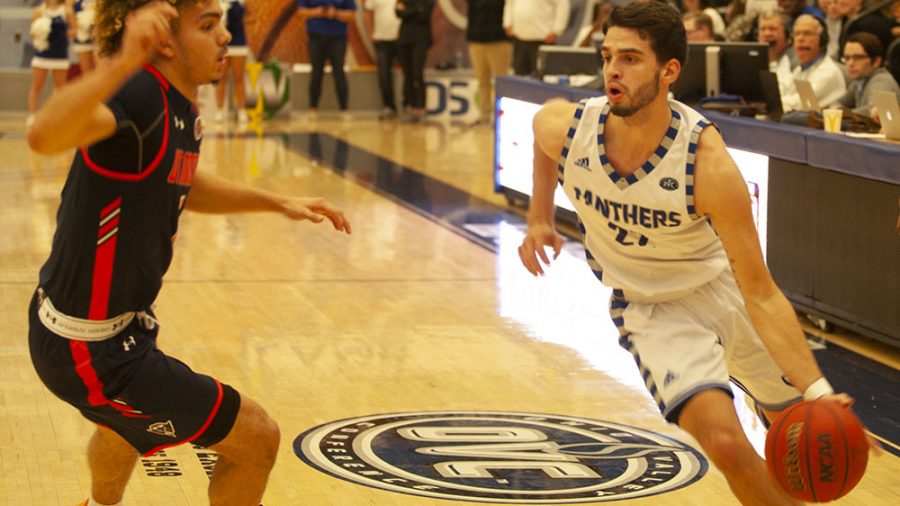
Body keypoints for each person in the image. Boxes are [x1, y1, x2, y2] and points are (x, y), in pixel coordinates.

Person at [518, 2, 869, 505]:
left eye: (631, 58)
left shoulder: (708, 166)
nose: (613, 69)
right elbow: (540, 140)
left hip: (723, 291)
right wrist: (539, 218)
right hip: (653, 309)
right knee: (726, 444)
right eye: (608, 55)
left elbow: (762, 293)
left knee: (796, 427)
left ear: (669, 71)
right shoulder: (568, 127)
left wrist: (817, 391)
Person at [25, 1, 352, 505]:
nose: (225, 37)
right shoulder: (134, 95)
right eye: (208, 26)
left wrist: (275, 202)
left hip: (104, 331)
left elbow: (179, 180)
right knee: (256, 439)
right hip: (91, 351)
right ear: (165, 42)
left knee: (121, 425)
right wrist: (120, 63)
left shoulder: (176, 106)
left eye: (221, 22)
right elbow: (42, 135)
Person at [296, 0, 358, 117]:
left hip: (338, 37)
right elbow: (301, 12)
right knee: (316, 72)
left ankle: (344, 109)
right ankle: (313, 108)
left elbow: (352, 15)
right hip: (316, 36)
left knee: (339, 72)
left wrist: (335, 14)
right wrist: (318, 12)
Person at [779, 13, 845, 113]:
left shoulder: (827, 71)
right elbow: (785, 92)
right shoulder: (801, 69)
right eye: (797, 34)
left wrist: (773, 102)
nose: (800, 39)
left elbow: (803, 104)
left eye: (807, 33)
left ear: (822, 40)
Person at [27, 0, 75, 129]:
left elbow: (73, 30)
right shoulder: (39, 11)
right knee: (36, 86)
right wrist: (42, 33)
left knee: (60, 88)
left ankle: (59, 116)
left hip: (59, 55)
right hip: (42, 54)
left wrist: (60, 36)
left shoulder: (67, 11)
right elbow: (32, 32)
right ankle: (32, 116)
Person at [835, 31, 900, 120]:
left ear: (876, 61)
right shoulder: (860, 80)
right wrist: (835, 111)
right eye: (847, 58)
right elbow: (838, 103)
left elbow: (874, 112)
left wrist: (838, 113)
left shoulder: (882, 81)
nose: (850, 63)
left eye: (857, 58)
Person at [466, 0, 511, 125]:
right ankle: (484, 117)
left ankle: (501, 117)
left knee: (501, 82)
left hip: (498, 41)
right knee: (482, 81)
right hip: (476, 40)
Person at [503, 0, 570, 76]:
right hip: (519, 38)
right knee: (519, 75)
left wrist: (557, 30)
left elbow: (562, 5)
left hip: (542, 40)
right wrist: (507, 23)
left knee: (541, 76)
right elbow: (509, 3)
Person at [395, 0, 434, 122]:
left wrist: (408, 11)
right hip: (404, 39)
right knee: (408, 74)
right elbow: (398, 13)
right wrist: (416, 9)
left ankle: (421, 107)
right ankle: (411, 107)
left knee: (417, 73)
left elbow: (424, 15)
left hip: (421, 38)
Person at [364, 0, 403, 119]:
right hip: (381, 38)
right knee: (384, 73)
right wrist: (371, 33)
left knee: (408, 71)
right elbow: (368, 13)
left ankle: (408, 105)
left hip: (401, 37)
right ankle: (388, 106)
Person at [215, 0, 250, 124]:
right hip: (222, 42)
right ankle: (219, 110)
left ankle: (242, 110)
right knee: (221, 77)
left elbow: (247, 16)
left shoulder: (241, 2)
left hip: (239, 42)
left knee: (239, 77)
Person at [757, 10, 795, 96]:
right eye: (763, 29)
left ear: (786, 33)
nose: (767, 33)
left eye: (772, 29)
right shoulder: (753, 59)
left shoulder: (794, 59)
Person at [71, 0, 97, 74]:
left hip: (100, 39)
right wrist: (75, 26)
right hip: (82, 38)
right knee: (87, 73)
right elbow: (68, 11)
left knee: (101, 71)